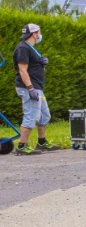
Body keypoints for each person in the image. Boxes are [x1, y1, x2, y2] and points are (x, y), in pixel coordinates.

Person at [11, 23, 59, 155]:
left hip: (37, 87)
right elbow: (22, 70)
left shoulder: (30, 48)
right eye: (39, 32)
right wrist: (30, 88)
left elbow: (32, 68)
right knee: (31, 116)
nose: (40, 35)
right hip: (29, 88)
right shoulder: (23, 48)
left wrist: (41, 64)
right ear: (34, 34)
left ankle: (41, 142)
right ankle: (21, 146)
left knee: (45, 115)